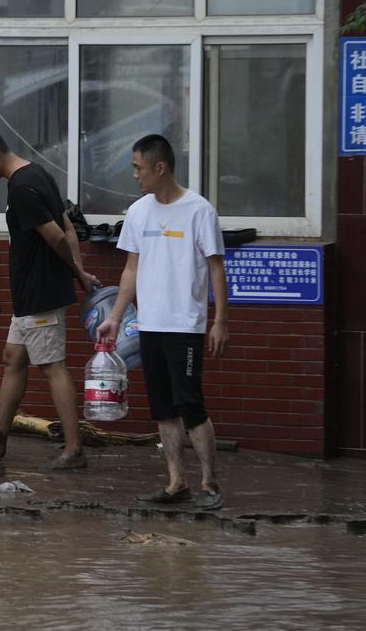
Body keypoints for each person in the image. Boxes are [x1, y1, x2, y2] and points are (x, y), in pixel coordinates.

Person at [96, 134, 228, 510]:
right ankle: (175, 483)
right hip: (149, 325)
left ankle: (209, 483)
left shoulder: (199, 210)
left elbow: (216, 271)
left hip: (185, 325)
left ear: (160, 167)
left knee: (191, 404)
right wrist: (116, 317)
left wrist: (220, 322)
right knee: (163, 408)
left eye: (138, 168)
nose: (134, 175)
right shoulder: (138, 212)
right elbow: (130, 270)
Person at [0, 126, 100, 470]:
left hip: (39, 293)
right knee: (14, 358)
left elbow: (56, 237)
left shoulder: (22, 187)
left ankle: (73, 448)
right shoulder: (38, 174)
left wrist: (77, 272)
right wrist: (77, 270)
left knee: (52, 367)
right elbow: (67, 225)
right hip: (29, 295)